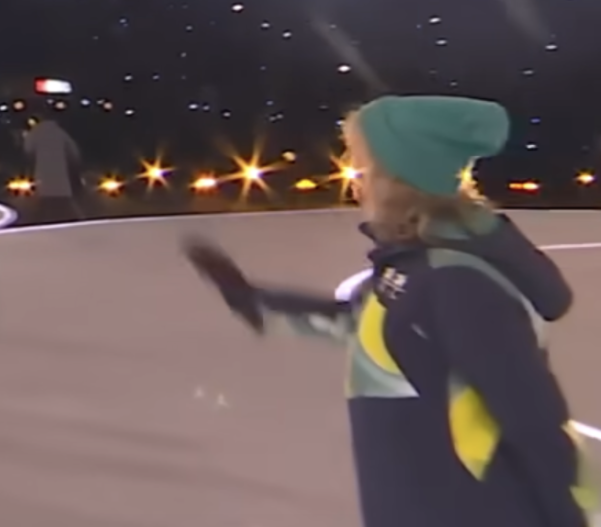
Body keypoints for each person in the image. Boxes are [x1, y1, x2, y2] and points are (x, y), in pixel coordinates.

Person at [183, 96, 593, 526]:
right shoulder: (412, 267)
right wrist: (252, 300)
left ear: (402, 182)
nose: (356, 184)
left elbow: (531, 419)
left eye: (365, 170)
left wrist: (567, 517)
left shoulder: (455, 281)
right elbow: (362, 322)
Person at [24, 112, 83, 225]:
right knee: (64, 202)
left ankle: (36, 224)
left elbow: (27, 151)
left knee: (43, 202)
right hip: (61, 174)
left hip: (42, 173)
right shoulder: (61, 133)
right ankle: (77, 223)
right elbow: (75, 153)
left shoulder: (35, 132)